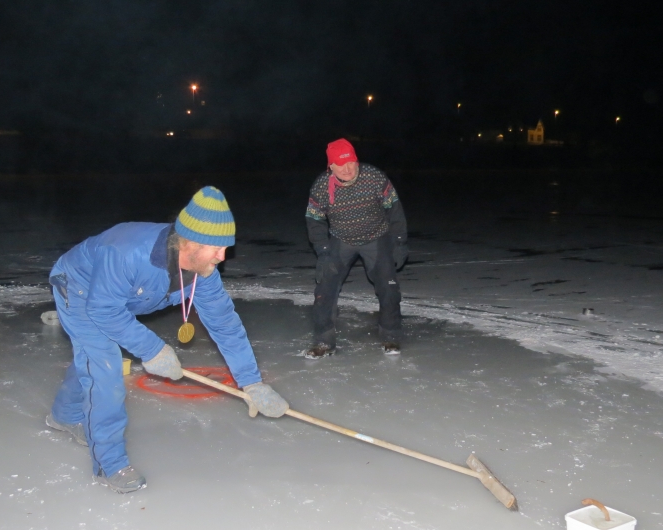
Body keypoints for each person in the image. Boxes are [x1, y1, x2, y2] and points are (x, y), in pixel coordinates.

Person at [45, 186, 289, 493]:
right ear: (189, 242)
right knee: (104, 369)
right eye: (216, 248)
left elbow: (225, 324)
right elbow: (103, 309)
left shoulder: (204, 271)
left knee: (92, 362)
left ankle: (64, 416)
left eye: (226, 247)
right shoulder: (127, 253)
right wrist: (152, 350)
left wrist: (252, 382)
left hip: (119, 298)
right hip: (81, 291)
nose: (223, 256)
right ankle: (110, 464)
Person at [304, 138, 408, 359]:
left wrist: (399, 241)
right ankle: (324, 341)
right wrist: (323, 250)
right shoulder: (322, 186)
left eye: (352, 162)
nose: (348, 168)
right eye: (341, 164)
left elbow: (394, 208)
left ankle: (391, 335)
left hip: (376, 237)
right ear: (331, 166)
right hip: (341, 239)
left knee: (388, 287)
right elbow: (314, 220)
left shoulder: (374, 177)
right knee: (325, 288)